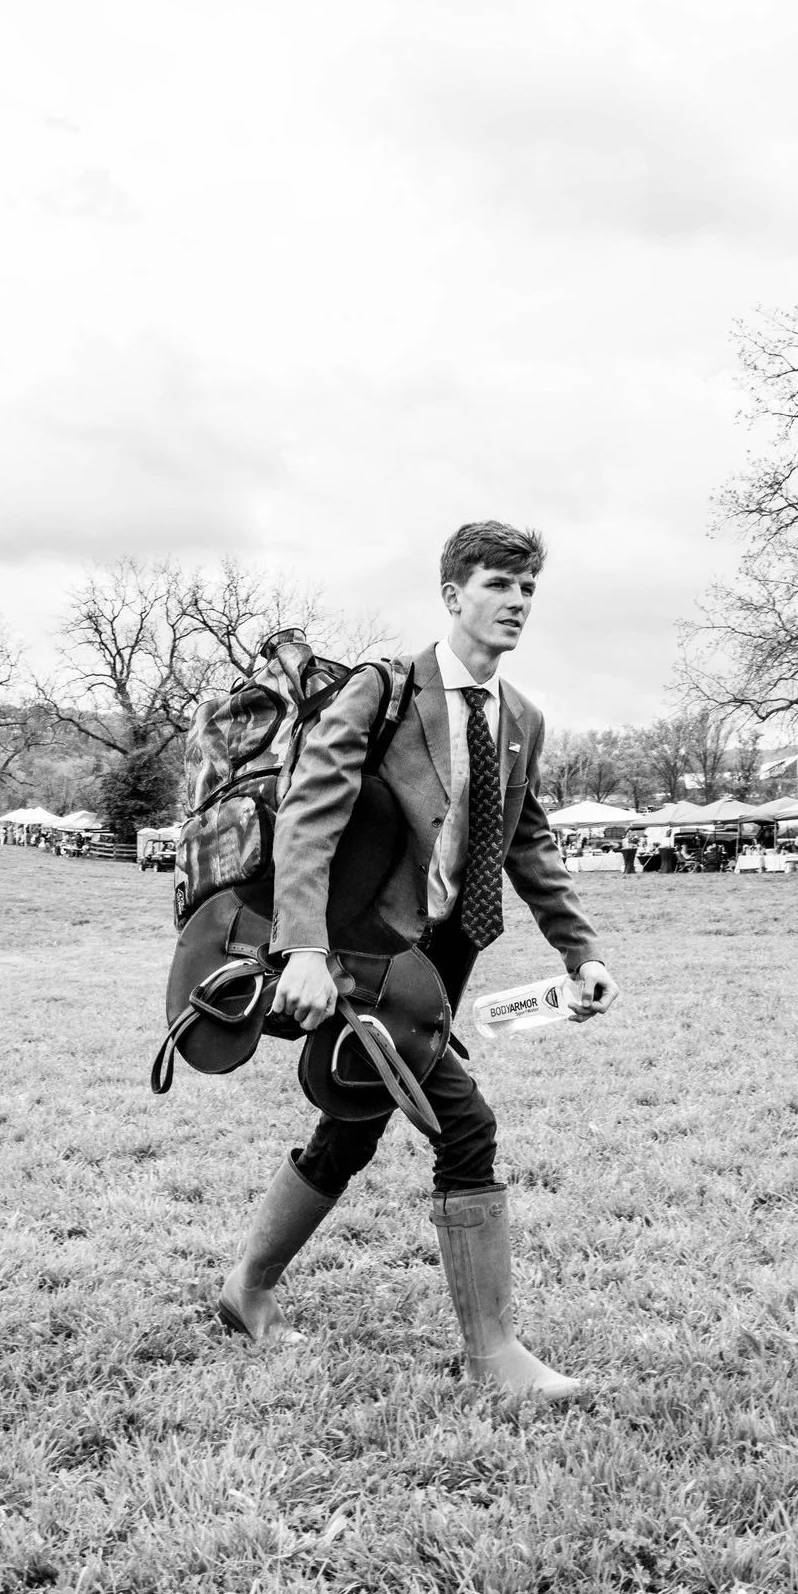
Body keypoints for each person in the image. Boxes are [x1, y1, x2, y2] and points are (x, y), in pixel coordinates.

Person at [219, 520, 621, 1401]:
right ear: (452, 594)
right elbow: (309, 817)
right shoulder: (384, 691)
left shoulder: (521, 718)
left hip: (440, 959)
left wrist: (579, 949)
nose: (517, 601)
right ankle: (494, 1354)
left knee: (354, 1122)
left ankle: (245, 1286)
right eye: (498, 584)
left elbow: (529, 842)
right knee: (465, 1126)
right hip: (361, 950)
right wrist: (305, 948)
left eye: (527, 588)